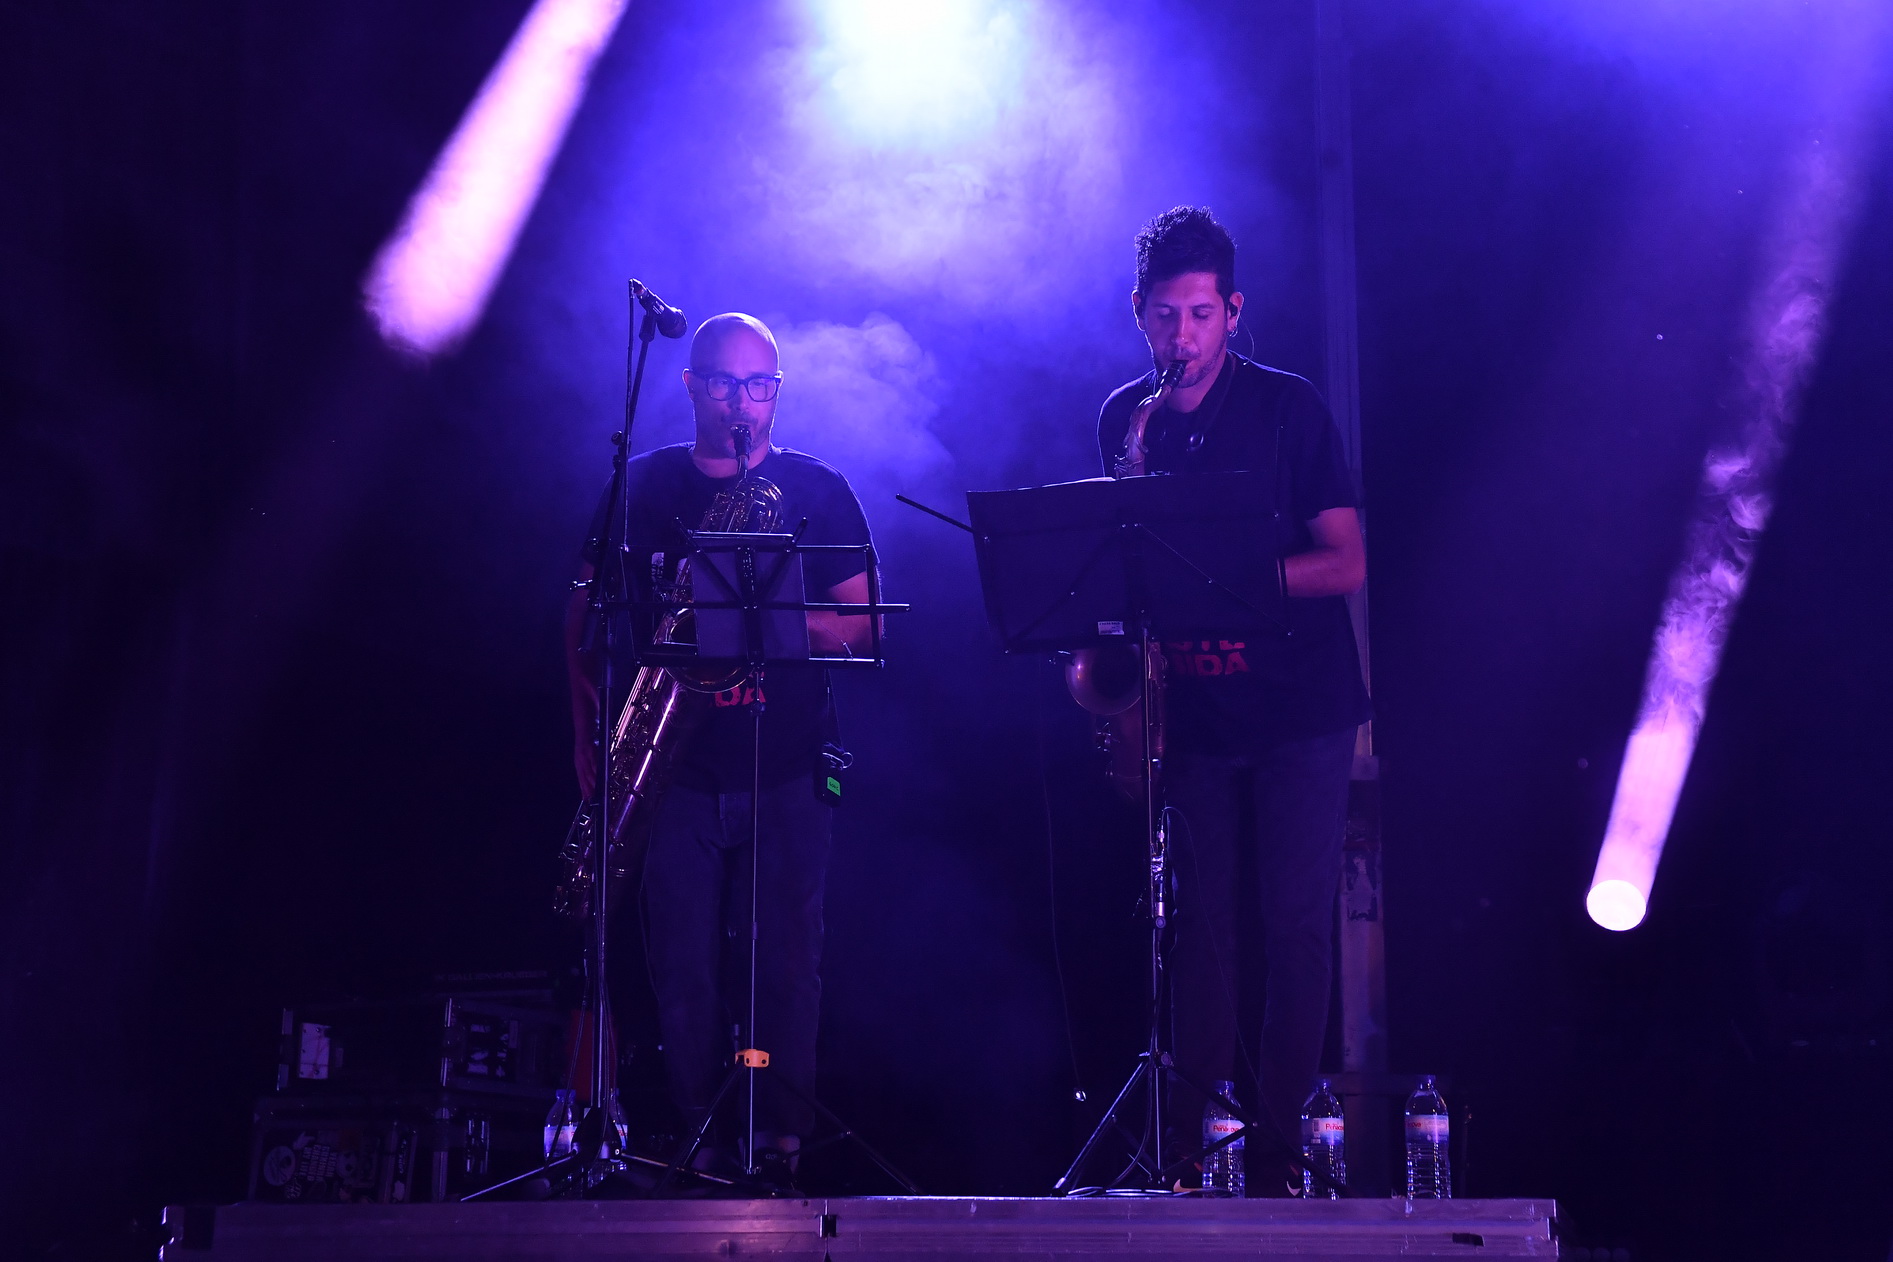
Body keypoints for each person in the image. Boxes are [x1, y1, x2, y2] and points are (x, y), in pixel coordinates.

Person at [1096, 207, 1370, 1193]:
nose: (1183, 338)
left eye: (1202, 316)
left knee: (1293, 927)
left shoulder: (1288, 408)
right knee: (1200, 933)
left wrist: (1228, 578)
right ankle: (1192, 1154)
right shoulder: (1126, 419)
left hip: (1300, 709)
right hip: (1196, 715)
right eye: (1165, 317)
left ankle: (1280, 1152)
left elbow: (1345, 560)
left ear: (1234, 311)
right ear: (1139, 312)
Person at [565, 312, 874, 1180]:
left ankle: (778, 1138)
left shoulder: (815, 487)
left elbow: (861, 623)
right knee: (683, 963)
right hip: (673, 763)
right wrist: (586, 730)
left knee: (785, 960)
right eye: (727, 383)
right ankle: (703, 1136)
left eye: (761, 384)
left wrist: (768, 622)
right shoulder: (642, 484)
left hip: (788, 757)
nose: (744, 402)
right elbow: (582, 611)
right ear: (692, 385)